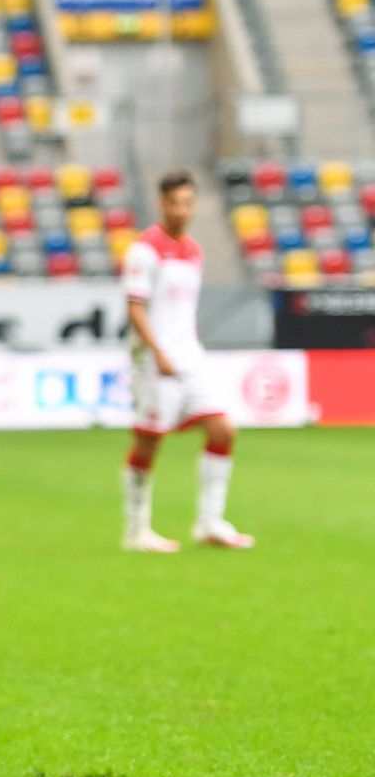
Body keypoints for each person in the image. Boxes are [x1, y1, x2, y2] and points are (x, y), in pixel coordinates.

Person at [120, 170, 254, 553]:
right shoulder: (144, 250)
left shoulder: (194, 250)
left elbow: (183, 309)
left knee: (223, 430)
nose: (182, 210)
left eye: (188, 203)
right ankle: (136, 530)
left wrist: (188, 345)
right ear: (162, 203)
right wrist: (157, 350)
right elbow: (135, 307)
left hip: (190, 357)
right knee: (149, 441)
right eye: (175, 203)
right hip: (153, 361)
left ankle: (210, 522)